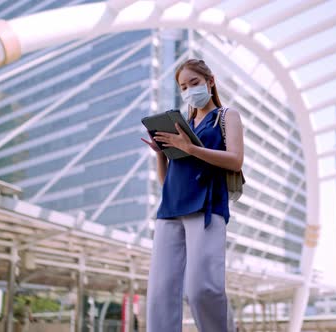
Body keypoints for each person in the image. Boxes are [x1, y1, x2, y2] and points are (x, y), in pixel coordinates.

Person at [141, 58, 244, 332]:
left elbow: (235, 160)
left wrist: (190, 148)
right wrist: (162, 154)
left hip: (207, 209)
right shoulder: (181, 125)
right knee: (160, 295)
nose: (189, 90)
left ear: (210, 82)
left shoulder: (226, 116)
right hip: (170, 211)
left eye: (194, 83)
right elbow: (167, 182)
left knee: (202, 290)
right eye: (183, 86)